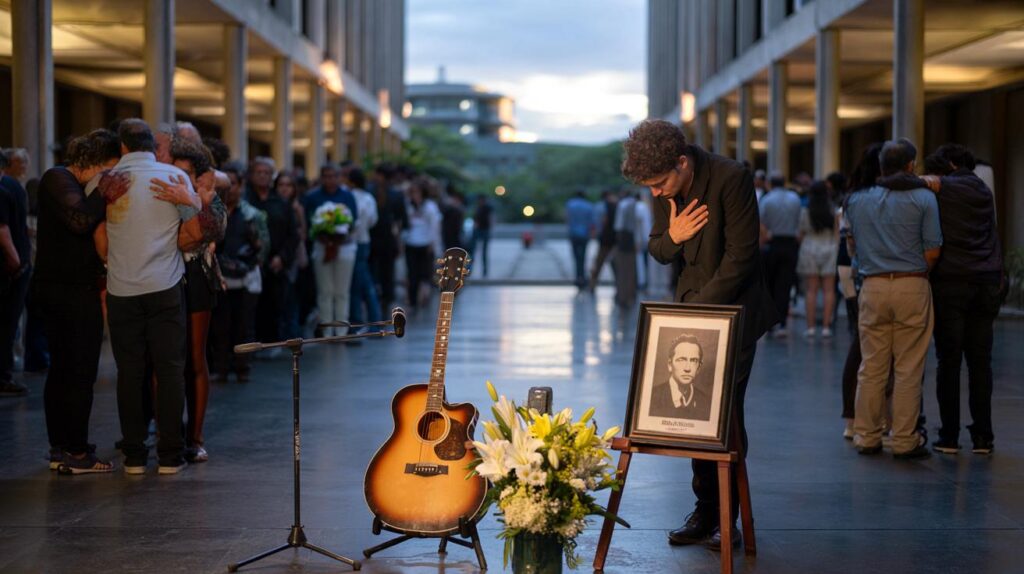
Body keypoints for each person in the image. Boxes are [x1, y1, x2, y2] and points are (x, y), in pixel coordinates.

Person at [624, 119, 776, 550]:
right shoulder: (665, 188)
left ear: (683, 162)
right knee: (693, 420)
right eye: (649, 187)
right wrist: (673, 235)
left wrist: (696, 315)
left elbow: (742, 258)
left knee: (726, 416)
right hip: (689, 314)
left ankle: (729, 514)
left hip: (735, 312)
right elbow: (656, 249)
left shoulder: (732, 177)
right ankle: (707, 512)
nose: (655, 193)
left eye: (658, 183)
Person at [92, 118, 212, 475]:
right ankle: (171, 456)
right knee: (171, 369)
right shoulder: (174, 178)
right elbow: (194, 232)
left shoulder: (106, 181)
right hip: (165, 284)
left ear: (123, 146)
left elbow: (96, 235)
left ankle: (133, 456)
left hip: (122, 287)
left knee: (129, 372)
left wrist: (114, 257)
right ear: (152, 145)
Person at [846, 138, 941, 461]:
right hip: (911, 284)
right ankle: (903, 440)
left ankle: (866, 436)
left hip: (871, 286)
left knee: (871, 367)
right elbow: (932, 252)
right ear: (911, 166)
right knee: (908, 368)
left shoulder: (857, 201)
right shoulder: (924, 198)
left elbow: (854, 247)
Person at [31, 130, 121, 472]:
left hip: (66, 287)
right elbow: (81, 220)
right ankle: (77, 452)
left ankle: (63, 447)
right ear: (95, 161)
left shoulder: (65, 181)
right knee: (78, 372)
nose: (111, 176)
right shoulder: (58, 178)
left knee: (66, 371)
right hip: (67, 290)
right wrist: (104, 193)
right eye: (110, 168)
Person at [919, 144, 1003, 455]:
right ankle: (983, 436)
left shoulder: (946, 188)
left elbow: (921, 184)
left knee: (949, 361)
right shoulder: (983, 190)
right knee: (981, 363)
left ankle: (950, 436)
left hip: (951, 283)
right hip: (985, 282)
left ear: (950, 166)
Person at [158, 137, 227, 463]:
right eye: (175, 170)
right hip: (162, 275)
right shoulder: (161, 188)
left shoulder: (208, 195)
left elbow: (209, 231)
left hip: (197, 278)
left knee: (196, 359)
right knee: (164, 360)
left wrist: (193, 203)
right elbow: (177, 238)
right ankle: (166, 433)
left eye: (186, 172)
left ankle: (195, 437)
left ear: (198, 175)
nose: (179, 178)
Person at [212, 164, 268, 383]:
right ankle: (222, 368)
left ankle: (242, 367)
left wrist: (249, 263)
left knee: (243, 326)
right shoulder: (214, 211)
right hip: (221, 277)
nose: (229, 188)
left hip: (246, 278)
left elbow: (262, 247)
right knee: (221, 327)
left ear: (241, 186)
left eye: (233, 184)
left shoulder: (252, 214)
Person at [246, 157, 298, 344]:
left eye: (267, 173)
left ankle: (272, 341)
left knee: (274, 303)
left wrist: (282, 257)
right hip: (250, 263)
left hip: (276, 263)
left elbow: (293, 234)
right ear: (251, 175)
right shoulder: (245, 200)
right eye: (258, 172)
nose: (262, 176)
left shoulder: (281, 203)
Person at [304, 163, 358, 337]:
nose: (330, 179)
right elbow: (309, 221)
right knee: (325, 290)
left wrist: (339, 235)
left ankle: (341, 330)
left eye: (334, 176)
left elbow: (353, 220)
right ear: (321, 178)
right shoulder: (312, 197)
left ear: (339, 177)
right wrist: (323, 236)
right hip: (322, 247)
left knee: (341, 291)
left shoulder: (347, 196)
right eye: (326, 176)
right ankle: (326, 330)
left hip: (344, 247)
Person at [0, 152, 32, 397]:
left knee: (8, 323)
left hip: (12, 266)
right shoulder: (11, 188)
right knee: (8, 323)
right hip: (14, 265)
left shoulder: (6, 188)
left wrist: (15, 261)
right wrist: (17, 260)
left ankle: (4, 374)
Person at [759, 171, 802, 337]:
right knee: (785, 284)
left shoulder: (767, 199)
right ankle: (783, 323)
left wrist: (763, 240)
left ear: (770, 183)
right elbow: (799, 220)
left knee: (770, 283)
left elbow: (761, 223)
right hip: (790, 244)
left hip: (772, 243)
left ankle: (770, 323)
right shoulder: (795, 198)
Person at [797, 181, 838, 338]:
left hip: (810, 248)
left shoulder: (806, 211)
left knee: (811, 290)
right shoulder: (832, 210)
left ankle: (811, 327)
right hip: (829, 247)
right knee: (829, 290)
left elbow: (801, 234)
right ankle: (826, 327)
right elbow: (836, 233)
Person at [345, 167, 382, 331]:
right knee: (363, 282)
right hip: (364, 241)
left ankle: (361, 321)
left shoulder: (349, 196)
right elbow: (373, 220)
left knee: (357, 283)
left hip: (352, 242)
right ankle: (372, 319)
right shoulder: (368, 198)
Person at [369, 164, 407, 317]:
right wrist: (398, 242)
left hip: (373, 239)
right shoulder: (396, 195)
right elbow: (401, 222)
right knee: (387, 274)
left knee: (374, 273)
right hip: (387, 240)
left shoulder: (370, 192)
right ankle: (384, 302)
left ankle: (377, 302)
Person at [272, 170, 306, 339]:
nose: (284, 189)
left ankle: (292, 333)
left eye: (288, 185)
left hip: (292, 257)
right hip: (275, 256)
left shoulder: (296, 207)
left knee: (291, 295)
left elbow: (303, 235)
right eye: (281, 185)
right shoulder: (272, 204)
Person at [648, 333, 712, 421]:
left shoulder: (707, 404)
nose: (687, 368)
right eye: (681, 360)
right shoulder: (650, 398)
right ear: (670, 365)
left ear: (699, 368)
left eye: (693, 360)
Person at [404, 177, 443, 310]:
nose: (414, 196)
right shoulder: (408, 206)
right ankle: (413, 300)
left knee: (424, 273)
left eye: (417, 192)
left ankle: (424, 295)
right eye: (412, 193)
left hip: (425, 244)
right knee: (412, 273)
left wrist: (434, 245)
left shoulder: (430, 207)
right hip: (410, 243)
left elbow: (434, 227)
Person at [612, 189, 638, 307]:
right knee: (630, 270)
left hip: (624, 241)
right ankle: (629, 295)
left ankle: (622, 296)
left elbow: (619, 226)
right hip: (631, 240)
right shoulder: (635, 204)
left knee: (622, 271)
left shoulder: (623, 205)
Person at [589, 189, 618, 291]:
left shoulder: (598, 206)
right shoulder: (613, 206)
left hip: (603, 238)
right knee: (614, 262)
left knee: (598, 262)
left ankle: (592, 284)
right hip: (612, 238)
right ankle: (618, 284)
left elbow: (595, 223)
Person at [565, 190, 594, 289]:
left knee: (576, 256)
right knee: (583, 256)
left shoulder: (570, 204)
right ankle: (583, 277)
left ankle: (578, 277)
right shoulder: (589, 206)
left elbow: (568, 218)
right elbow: (591, 222)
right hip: (584, 234)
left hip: (573, 233)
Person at [470, 195, 493, 277]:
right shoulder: (478, 208)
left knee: (484, 252)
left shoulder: (487, 208)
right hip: (478, 230)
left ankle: (484, 271)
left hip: (484, 230)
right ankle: (470, 269)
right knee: (473, 251)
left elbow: (490, 218)